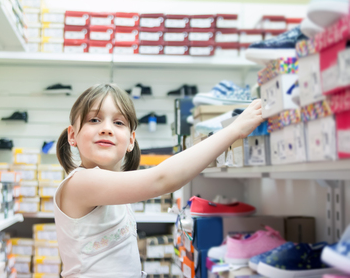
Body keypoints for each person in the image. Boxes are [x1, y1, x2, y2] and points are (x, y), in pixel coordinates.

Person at [54, 83, 263, 277]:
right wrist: (235, 130)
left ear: (131, 140)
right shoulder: (81, 183)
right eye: (94, 119)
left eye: (118, 122)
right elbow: (162, 179)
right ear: (72, 135)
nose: (106, 128)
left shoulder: (112, 186)